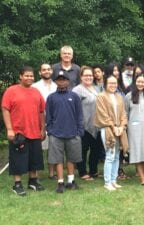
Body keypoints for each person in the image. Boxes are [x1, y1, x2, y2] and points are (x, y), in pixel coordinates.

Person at [2, 66, 45, 196]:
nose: (29, 78)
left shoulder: (36, 92)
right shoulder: (11, 91)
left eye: (31, 76)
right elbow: (5, 109)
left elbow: (41, 111)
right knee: (18, 159)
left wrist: (42, 128)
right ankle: (17, 184)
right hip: (18, 132)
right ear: (20, 76)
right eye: (26, 75)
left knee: (35, 158)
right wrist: (10, 129)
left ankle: (33, 181)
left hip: (34, 131)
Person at [46, 71, 84, 193]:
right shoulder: (51, 98)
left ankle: (71, 181)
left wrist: (79, 131)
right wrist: (50, 130)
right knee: (58, 159)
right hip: (56, 134)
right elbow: (48, 117)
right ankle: (60, 182)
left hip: (72, 133)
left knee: (71, 158)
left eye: (64, 79)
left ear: (68, 81)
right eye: (59, 79)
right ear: (56, 81)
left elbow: (79, 115)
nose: (62, 81)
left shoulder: (74, 96)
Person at [94, 74, 129, 191]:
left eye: (115, 83)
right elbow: (102, 114)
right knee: (110, 155)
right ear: (105, 84)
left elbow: (124, 113)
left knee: (117, 156)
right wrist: (113, 127)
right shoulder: (101, 96)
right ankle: (107, 182)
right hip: (108, 129)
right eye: (110, 83)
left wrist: (122, 126)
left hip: (119, 129)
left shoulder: (119, 96)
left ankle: (114, 180)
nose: (113, 85)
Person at [73, 66, 104, 180]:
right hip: (83, 126)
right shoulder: (77, 90)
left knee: (96, 149)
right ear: (81, 77)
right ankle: (82, 172)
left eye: (90, 75)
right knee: (83, 150)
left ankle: (93, 170)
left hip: (97, 125)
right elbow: (73, 108)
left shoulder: (97, 89)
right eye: (86, 75)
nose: (89, 77)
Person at [32, 63, 57, 180]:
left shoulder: (56, 86)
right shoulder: (34, 86)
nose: (46, 71)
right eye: (44, 70)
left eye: (48, 69)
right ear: (40, 72)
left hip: (54, 121)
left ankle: (51, 173)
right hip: (38, 120)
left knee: (52, 147)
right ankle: (35, 174)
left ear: (51, 71)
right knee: (37, 148)